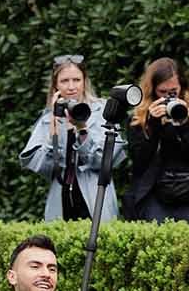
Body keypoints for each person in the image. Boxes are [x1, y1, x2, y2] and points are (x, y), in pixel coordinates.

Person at [20, 54, 126, 222]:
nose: (71, 87)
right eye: (64, 81)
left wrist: (81, 129)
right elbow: (43, 166)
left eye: (76, 80)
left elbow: (104, 160)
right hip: (60, 201)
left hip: (96, 199)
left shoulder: (103, 111)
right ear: (55, 85)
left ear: (85, 81)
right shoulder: (48, 118)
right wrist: (55, 126)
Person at [123, 56, 189, 226]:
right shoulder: (138, 119)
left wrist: (184, 125)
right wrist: (153, 125)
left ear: (182, 88)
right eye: (162, 92)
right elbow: (139, 162)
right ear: (152, 91)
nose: (167, 97)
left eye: (173, 92)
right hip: (153, 193)